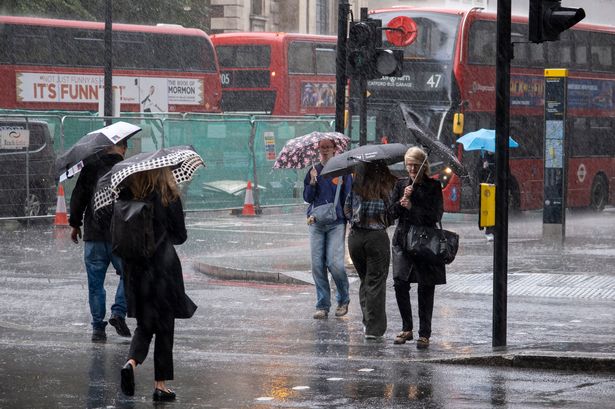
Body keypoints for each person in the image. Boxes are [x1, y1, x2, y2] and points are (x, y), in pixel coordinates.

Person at [119, 166, 197, 402]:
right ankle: (160, 385)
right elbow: (180, 236)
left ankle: (131, 363)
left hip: (136, 269)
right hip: (163, 268)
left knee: (145, 323)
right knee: (164, 326)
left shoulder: (128, 193)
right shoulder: (168, 195)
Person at [69, 140, 131, 342]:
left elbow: (78, 196)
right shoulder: (127, 169)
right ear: (122, 148)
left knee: (95, 284)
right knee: (129, 274)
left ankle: (98, 328)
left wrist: (75, 223)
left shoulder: (90, 168)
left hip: (94, 235)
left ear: (104, 148)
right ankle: (118, 312)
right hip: (119, 235)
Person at [390, 146, 445, 349]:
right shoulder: (400, 185)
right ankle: (407, 328)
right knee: (399, 283)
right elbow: (391, 213)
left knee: (425, 285)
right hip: (403, 240)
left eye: (415, 165)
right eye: (409, 165)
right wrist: (401, 201)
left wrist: (414, 205)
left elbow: (435, 215)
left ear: (423, 166)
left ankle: (424, 333)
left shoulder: (433, 186)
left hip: (424, 241)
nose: (412, 169)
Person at [344, 161, 397, 339]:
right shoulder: (384, 189)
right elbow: (391, 215)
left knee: (365, 280)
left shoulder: (355, 187)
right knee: (375, 282)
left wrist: (357, 219)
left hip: (355, 239)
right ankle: (374, 329)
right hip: (376, 238)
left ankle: (367, 321)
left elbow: (347, 210)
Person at [303, 138, 352, 319]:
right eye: (322, 147)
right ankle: (322, 304)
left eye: (328, 147)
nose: (324, 150)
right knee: (317, 265)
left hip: (336, 222)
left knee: (335, 264)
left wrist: (350, 220)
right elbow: (308, 198)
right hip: (315, 222)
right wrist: (313, 182)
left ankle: (343, 299)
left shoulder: (343, 172)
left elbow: (348, 197)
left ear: (334, 149)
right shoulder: (313, 171)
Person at [479, 150, 495, 241]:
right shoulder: (483, 158)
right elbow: (479, 175)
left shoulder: (499, 157)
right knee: (488, 210)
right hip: (487, 189)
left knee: (495, 211)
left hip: (496, 188)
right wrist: (484, 168)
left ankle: (493, 230)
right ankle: (488, 231)